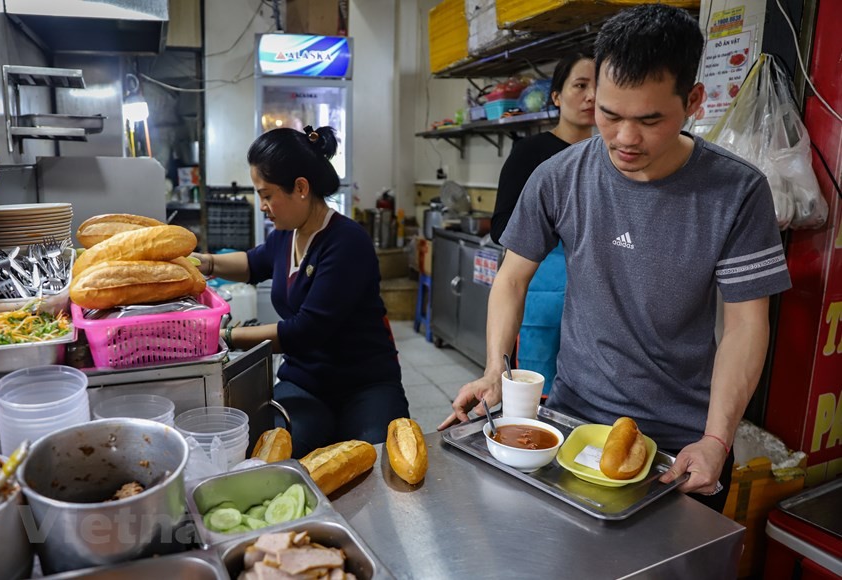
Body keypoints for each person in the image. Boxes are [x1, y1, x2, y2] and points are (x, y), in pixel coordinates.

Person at [439, 4, 791, 512]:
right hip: (573, 422)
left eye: (650, 120)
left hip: (681, 440)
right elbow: (512, 278)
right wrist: (496, 367)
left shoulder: (736, 192)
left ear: (693, 100)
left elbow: (745, 324)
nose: (626, 139)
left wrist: (716, 440)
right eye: (610, 114)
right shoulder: (559, 175)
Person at [195, 126, 409, 458]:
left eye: (267, 195)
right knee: (275, 460)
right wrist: (204, 263)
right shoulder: (286, 234)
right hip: (306, 381)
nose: (263, 206)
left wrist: (226, 335)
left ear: (301, 187)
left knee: (377, 460)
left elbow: (306, 331)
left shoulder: (346, 242)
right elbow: (254, 263)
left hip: (365, 383)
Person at [490, 52, 596, 392]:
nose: (591, 96)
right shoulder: (531, 153)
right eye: (580, 85)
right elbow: (501, 226)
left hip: (593, 295)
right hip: (540, 288)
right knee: (537, 389)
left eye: (599, 86)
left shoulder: (611, 156)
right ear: (556, 96)